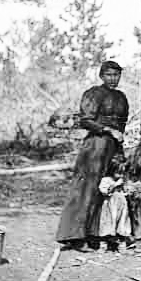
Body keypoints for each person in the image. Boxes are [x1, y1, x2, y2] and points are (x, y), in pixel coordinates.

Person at [55, 60, 129, 250]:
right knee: (86, 188)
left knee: (106, 190)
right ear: (101, 76)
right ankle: (74, 236)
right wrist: (108, 130)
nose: (113, 79)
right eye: (109, 75)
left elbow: (121, 126)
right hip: (95, 146)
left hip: (113, 147)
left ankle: (97, 234)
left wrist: (118, 146)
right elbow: (85, 120)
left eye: (116, 75)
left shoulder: (122, 97)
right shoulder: (94, 94)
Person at [97, 154, 131, 253]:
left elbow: (127, 190)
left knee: (122, 223)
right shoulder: (106, 180)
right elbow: (104, 191)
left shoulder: (124, 180)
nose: (120, 175)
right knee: (107, 223)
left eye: (123, 173)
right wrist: (115, 185)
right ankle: (103, 244)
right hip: (110, 206)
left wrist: (128, 191)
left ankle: (122, 243)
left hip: (122, 206)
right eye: (118, 173)